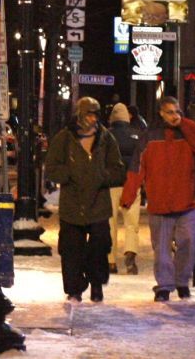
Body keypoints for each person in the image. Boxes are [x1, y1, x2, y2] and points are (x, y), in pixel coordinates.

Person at [121, 96, 195, 301]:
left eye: (177, 111)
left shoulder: (187, 133)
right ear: (161, 113)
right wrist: (129, 194)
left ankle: (181, 281)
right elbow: (137, 168)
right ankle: (164, 285)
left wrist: (185, 124)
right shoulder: (149, 137)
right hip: (160, 203)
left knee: (189, 242)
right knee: (161, 250)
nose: (175, 116)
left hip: (186, 201)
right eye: (170, 112)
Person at [43, 95, 127, 302]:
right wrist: (70, 174)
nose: (92, 119)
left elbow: (118, 170)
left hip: (98, 204)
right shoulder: (64, 138)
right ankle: (74, 288)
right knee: (71, 249)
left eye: (95, 114)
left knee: (99, 247)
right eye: (89, 114)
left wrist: (100, 176)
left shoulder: (106, 138)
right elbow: (52, 168)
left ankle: (96, 284)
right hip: (72, 204)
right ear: (80, 115)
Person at [107, 103, 145, 274]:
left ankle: (110, 261)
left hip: (111, 185)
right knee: (131, 223)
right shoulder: (137, 135)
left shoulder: (106, 136)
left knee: (110, 223)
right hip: (131, 184)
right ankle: (130, 254)